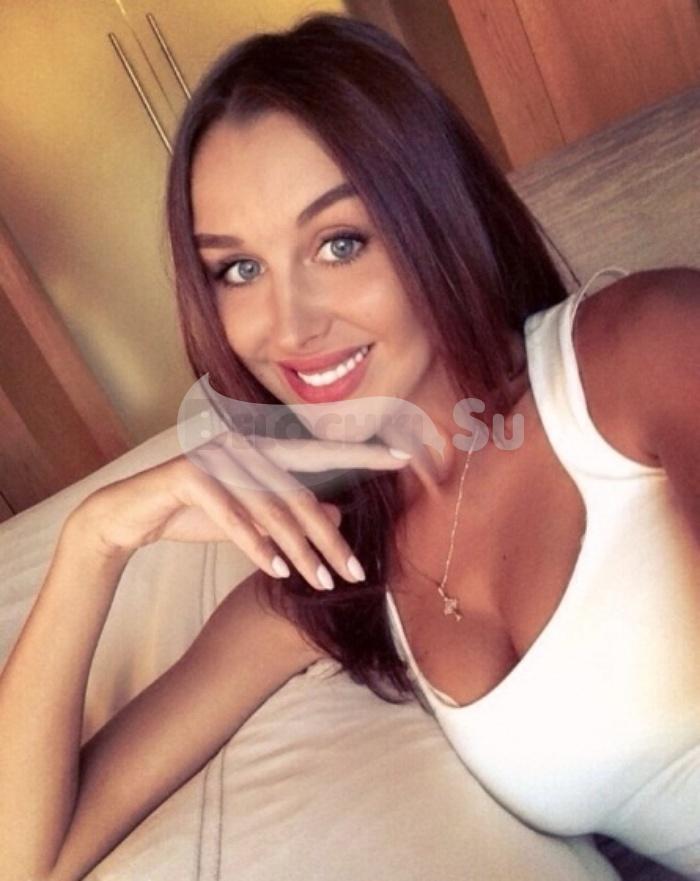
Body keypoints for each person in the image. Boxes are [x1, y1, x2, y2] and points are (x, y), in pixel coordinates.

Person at [1, 12, 698, 881]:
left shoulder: (641, 351)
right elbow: (23, 856)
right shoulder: (334, 576)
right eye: (238, 269)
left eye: (339, 243)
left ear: (435, 215)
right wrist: (95, 538)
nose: (289, 326)